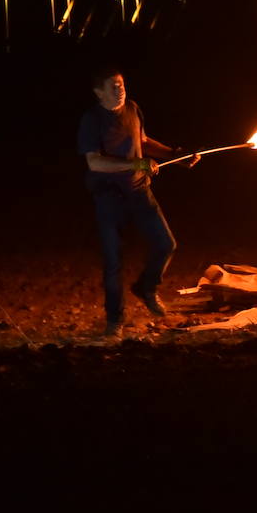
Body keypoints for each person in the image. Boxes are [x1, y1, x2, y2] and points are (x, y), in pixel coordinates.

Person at [77, 66, 198, 338]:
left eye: (121, 84)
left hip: (139, 190)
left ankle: (146, 287)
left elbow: (142, 140)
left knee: (166, 244)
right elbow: (94, 162)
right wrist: (139, 163)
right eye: (112, 86)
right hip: (109, 196)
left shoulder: (132, 108)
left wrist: (174, 154)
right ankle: (115, 319)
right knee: (113, 261)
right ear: (99, 93)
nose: (119, 90)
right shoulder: (92, 119)